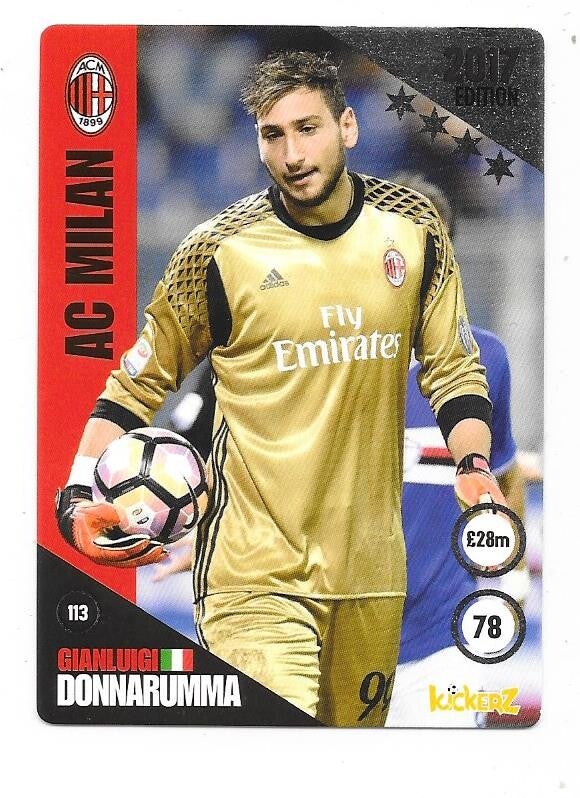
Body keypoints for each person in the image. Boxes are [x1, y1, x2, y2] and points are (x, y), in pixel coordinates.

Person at [55, 50, 507, 727]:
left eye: (307, 129)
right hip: (252, 580)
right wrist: (75, 491)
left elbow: (454, 369)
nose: (292, 154)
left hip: (369, 581)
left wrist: (472, 461)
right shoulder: (217, 251)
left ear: (348, 126)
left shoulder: (411, 234)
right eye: (273, 135)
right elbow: (134, 384)